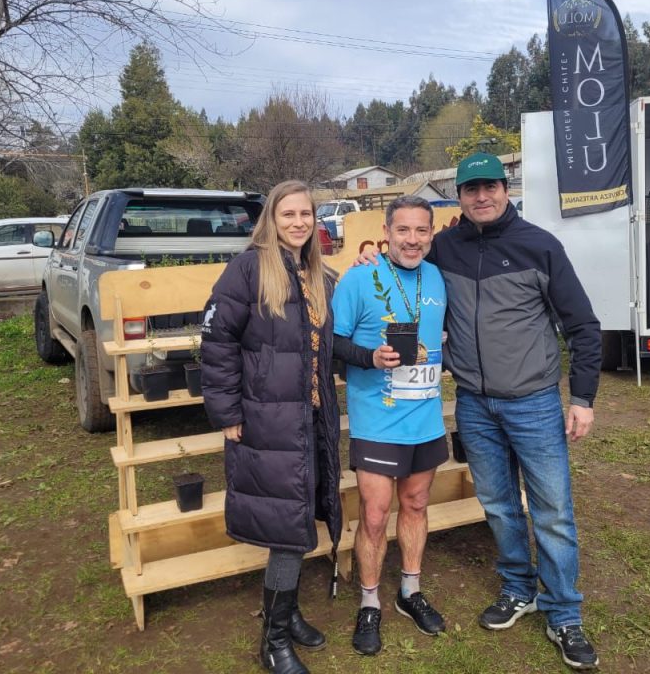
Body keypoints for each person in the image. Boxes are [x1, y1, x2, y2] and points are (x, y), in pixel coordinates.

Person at [358, 152, 602, 670]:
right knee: (498, 505)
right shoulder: (446, 247)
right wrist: (370, 261)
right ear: (460, 197)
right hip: (474, 403)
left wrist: (582, 399)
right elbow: (404, 260)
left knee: (553, 511)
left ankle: (564, 613)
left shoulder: (540, 246)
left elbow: (583, 325)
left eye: (491, 186)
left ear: (505, 189)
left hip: (534, 402)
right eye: (471, 189)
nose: (482, 196)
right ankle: (518, 588)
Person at [201, 180, 341, 674]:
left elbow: (328, 344)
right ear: (271, 219)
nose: (299, 223)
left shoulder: (318, 274)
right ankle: (274, 641)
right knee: (287, 528)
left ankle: (288, 613)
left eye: (306, 214)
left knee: (298, 518)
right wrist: (228, 414)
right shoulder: (247, 270)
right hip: (268, 421)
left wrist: (373, 356)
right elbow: (217, 342)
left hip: (310, 419)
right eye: (288, 214)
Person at [331, 196, 449, 656]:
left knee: (416, 504)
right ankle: (369, 602)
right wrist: (370, 357)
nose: (412, 239)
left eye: (421, 230)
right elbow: (331, 344)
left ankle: (410, 592)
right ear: (385, 232)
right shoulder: (359, 278)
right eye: (403, 230)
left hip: (425, 418)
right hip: (377, 420)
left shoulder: (437, 275)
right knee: (376, 514)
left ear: (431, 234)